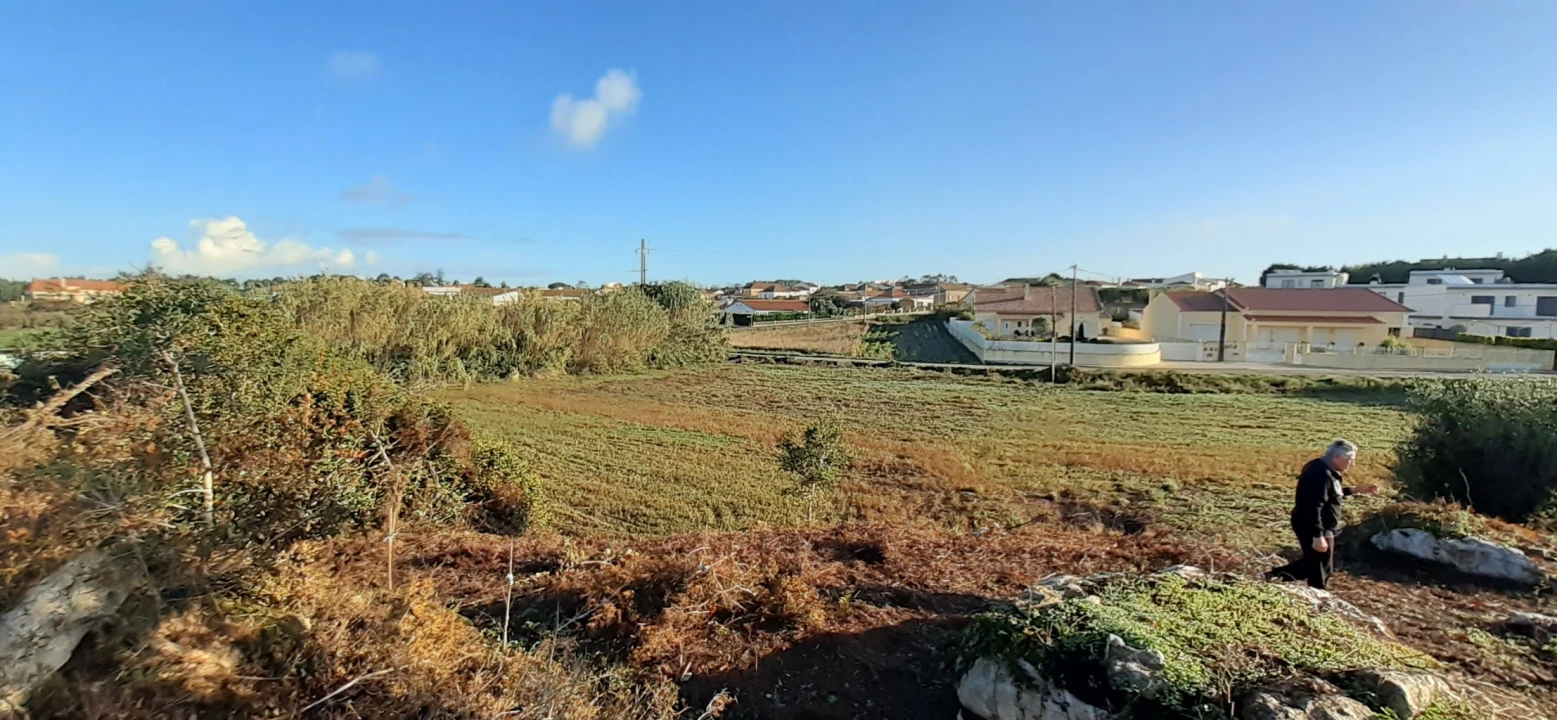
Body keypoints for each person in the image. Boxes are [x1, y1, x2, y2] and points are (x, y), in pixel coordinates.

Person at [1266, 439, 1378, 589]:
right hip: (1314, 524)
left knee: (1316, 562)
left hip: (1319, 525)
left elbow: (1331, 494)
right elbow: (1313, 506)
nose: (1352, 464)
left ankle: (1275, 575)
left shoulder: (1327, 470)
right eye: (1351, 460)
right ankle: (1319, 597)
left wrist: (1355, 490)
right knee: (1321, 568)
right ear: (1337, 457)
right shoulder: (1321, 474)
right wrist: (1318, 535)